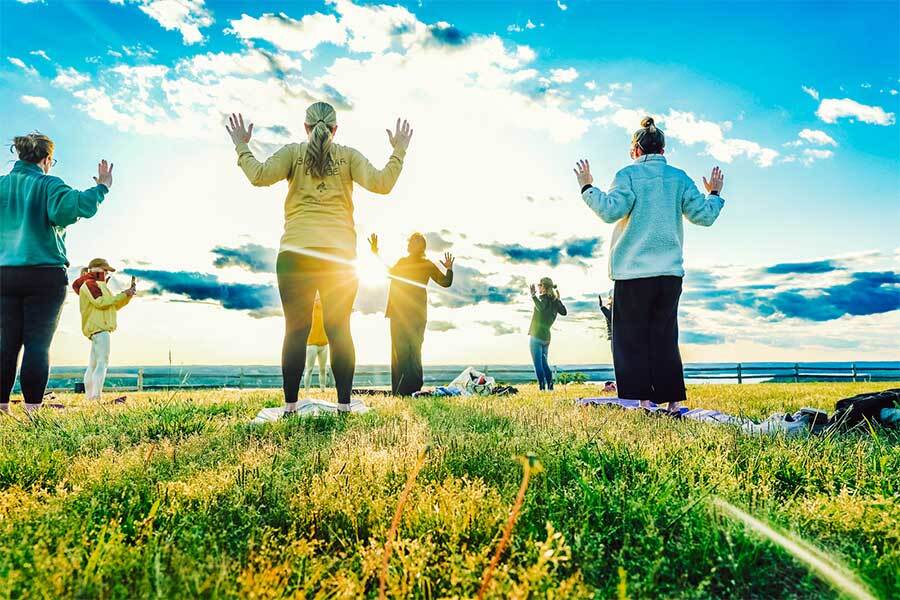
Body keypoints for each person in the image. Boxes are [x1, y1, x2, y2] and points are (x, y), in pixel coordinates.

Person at [226, 104, 413, 414]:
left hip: (295, 254)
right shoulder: (349, 156)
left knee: (295, 330)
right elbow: (383, 183)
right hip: (339, 259)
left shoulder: (291, 153)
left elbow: (258, 175)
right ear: (336, 129)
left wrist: (241, 144)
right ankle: (343, 407)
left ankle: (290, 407)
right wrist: (399, 151)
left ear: (305, 127)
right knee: (339, 329)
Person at [574, 116, 724, 413]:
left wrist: (587, 187)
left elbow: (609, 211)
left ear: (635, 151)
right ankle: (672, 404)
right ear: (663, 150)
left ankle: (644, 403)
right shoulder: (679, 178)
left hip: (632, 273)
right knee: (665, 338)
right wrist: (715, 193)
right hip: (669, 274)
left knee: (631, 341)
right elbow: (704, 216)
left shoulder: (628, 175)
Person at [0, 132, 114, 414]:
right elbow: (78, 206)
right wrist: (102, 187)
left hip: (3, 274)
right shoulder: (49, 184)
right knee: (38, 344)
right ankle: (32, 411)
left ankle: (2, 409)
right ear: (47, 159)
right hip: (44, 275)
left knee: (5, 345)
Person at [369, 232, 454, 396]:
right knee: (412, 351)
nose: (408, 244)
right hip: (411, 314)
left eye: (411, 242)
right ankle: (411, 390)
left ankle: (403, 390)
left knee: (403, 351)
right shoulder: (420, 264)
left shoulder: (415, 263)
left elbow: (445, 282)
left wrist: (376, 254)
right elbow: (446, 282)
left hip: (403, 314)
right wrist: (449, 268)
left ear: (417, 246)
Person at [72, 259, 135, 400]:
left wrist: (127, 296)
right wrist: (124, 294)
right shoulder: (90, 284)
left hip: (97, 329)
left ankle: (90, 397)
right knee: (102, 363)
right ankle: (95, 397)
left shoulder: (97, 284)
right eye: (105, 269)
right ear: (95, 269)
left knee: (93, 365)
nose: (107, 272)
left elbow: (110, 306)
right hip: (100, 329)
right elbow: (101, 302)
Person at [528, 277, 567, 391]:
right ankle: (550, 388)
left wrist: (533, 296)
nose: (538, 287)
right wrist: (558, 300)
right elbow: (564, 312)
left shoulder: (543, 299)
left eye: (540, 285)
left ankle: (542, 389)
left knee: (538, 365)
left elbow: (541, 308)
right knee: (544, 364)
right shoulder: (554, 301)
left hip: (536, 336)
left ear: (544, 287)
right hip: (546, 338)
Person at [304, 292, 331, 392]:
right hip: (312, 344)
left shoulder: (326, 308)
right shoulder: (311, 308)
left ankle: (323, 390)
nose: (318, 298)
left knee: (323, 369)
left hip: (324, 343)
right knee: (309, 369)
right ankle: (307, 391)